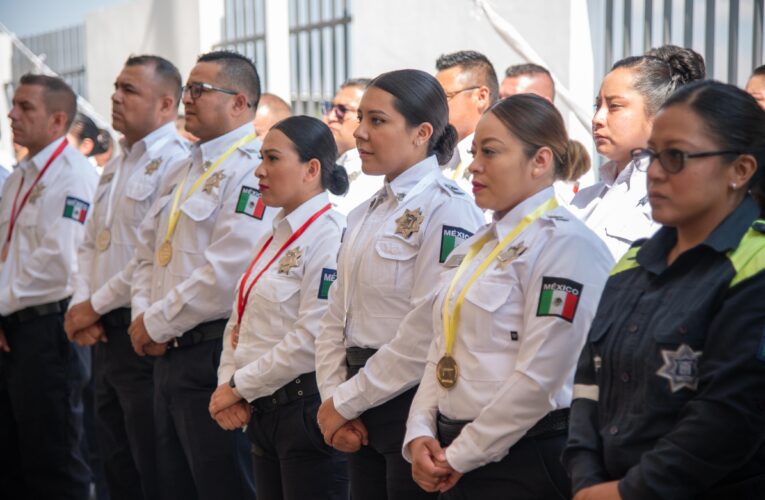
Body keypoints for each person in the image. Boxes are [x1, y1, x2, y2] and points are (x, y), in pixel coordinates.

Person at [402, 93, 612, 499]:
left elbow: (542, 378)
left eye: (491, 152)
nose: (475, 165)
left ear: (540, 160)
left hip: (525, 457)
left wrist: (460, 455)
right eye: (475, 150)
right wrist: (420, 431)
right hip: (458, 450)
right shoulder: (479, 245)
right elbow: (441, 347)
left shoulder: (566, 246)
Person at [564, 80, 765, 499]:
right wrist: (586, 479)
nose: (654, 171)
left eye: (676, 157)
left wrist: (628, 493)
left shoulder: (754, 265)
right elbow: (587, 383)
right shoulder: (634, 261)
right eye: (652, 154)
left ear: (740, 170)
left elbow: (730, 415)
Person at [315, 69, 485, 500]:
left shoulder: (447, 209)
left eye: (377, 120)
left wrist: (346, 401)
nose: (359, 133)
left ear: (421, 132)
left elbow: (427, 327)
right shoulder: (363, 212)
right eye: (360, 119)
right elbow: (336, 314)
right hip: (356, 400)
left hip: (410, 403)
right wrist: (334, 396)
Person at [128, 50, 273, 500]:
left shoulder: (254, 168)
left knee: (223, 483)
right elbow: (148, 252)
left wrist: (153, 322)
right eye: (187, 88)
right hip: (168, 352)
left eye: (199, 90)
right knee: (173, 484)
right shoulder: (184, 166)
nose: (186, 99)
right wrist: (143, 316)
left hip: (213, 350)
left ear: (239, 102)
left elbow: (228, 271)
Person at [64, 54, 189, 500]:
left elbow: (149, 256)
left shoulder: (178, 163)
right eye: (116, 86)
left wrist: (90, 306)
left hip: (141, 334)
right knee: (112, 460)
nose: (115, 97)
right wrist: (84, 304)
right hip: (102, 333)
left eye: (130, 90)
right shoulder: (117, 164)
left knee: (151, 464)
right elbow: (89, 243)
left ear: (166, 104)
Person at [209, 115, 349, 500]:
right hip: (263, 412)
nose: (259, 170)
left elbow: (311, 338)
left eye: (272, 159)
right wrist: (227, 383)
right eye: (260, 158)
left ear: (312, 169)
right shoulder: (274, 236)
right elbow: (238, 319)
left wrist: (238, 387)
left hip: (303, 414)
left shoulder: (329, 236)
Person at [0, 73, 98, 499]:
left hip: (47, 329)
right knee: (13, 458)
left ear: (58, 121)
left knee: (53, 462)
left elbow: (58, 262)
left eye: (26, 108)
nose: (11, 115)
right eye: (13, 105)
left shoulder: (72, 175)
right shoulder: (20, 174)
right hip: (11, 325)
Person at [570, 45, 705, 260]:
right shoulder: (585, 198)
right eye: (597, 106)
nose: (597, 119)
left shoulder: (671, 199)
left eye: (614, 106)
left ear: (660, 115)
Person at [435, 50, 499, 193]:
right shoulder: (433, 154)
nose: (434, 106)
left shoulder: (502, 161)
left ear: (481, 97)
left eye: (444, 96)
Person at [322, 78, 382, 215]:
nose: (330, 117)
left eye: (342, 110)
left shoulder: (379, 178)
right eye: (329, 107)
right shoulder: (323, 167)